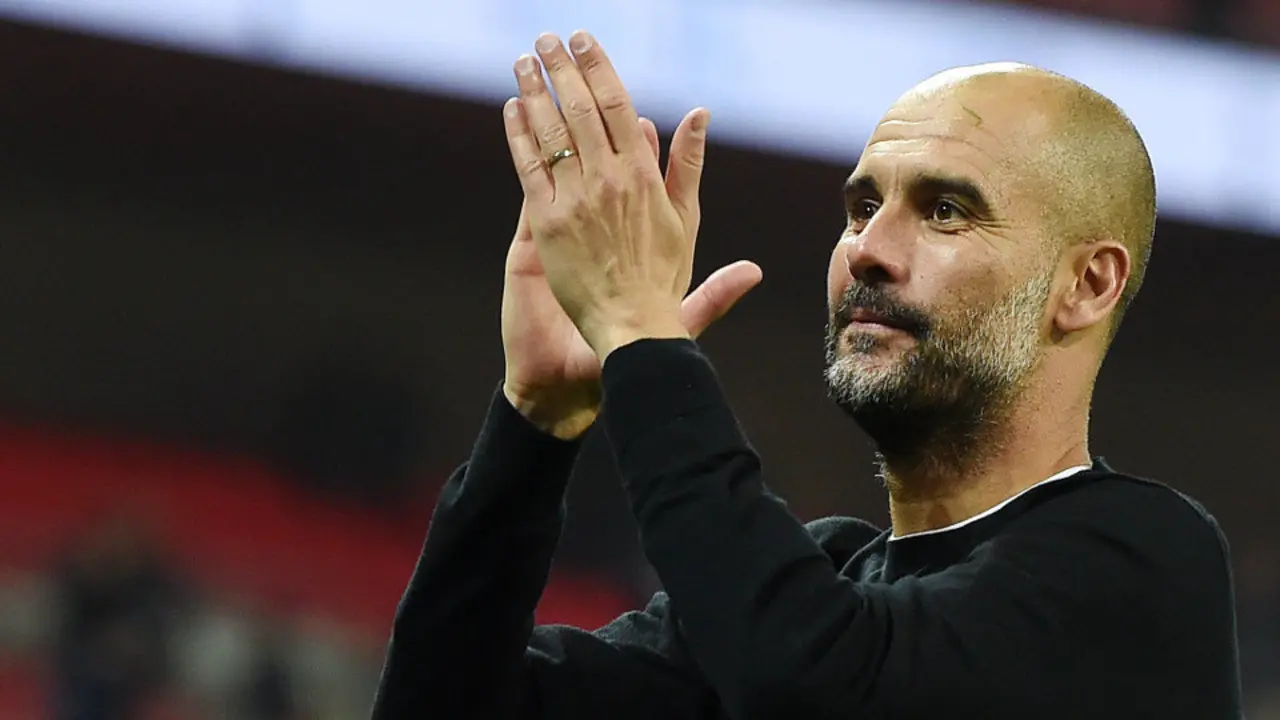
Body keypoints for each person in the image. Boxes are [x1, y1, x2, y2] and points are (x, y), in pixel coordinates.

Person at [371, 31, 1242, 719]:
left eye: (945, 210)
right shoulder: (825, 577)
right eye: (862, 208)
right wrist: (535, 423)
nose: (867, 249)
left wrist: (641, 336)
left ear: (1086, 285)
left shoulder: (1143, 559)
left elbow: (807, 682)